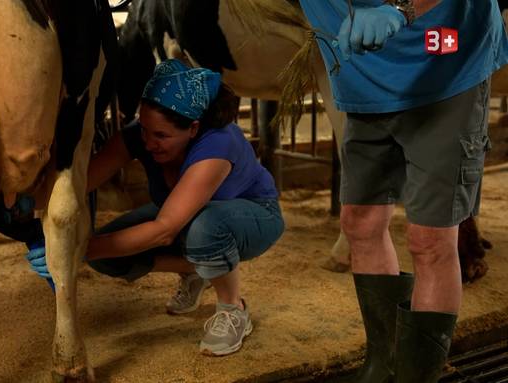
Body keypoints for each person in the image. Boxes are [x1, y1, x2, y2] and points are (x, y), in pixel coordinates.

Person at [297, 0, 508, 382]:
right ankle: (384, 364)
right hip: (362, 75)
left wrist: (401, 8)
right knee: (359, 223)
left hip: (444, 63)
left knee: (429, 238)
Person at [26, 59, 284, 356]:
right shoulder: (142, 136)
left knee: (205, 228)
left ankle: (233, 309)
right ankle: (196, 270)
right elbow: (79, 184)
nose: (148, 143)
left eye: (161, 136)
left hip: (252, 216)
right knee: (108, 256)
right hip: (187, 219)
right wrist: (19, 201)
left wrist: (75, 250)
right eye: (145, 129)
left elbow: (164, 230)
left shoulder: (217, 146)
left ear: (193, 129)